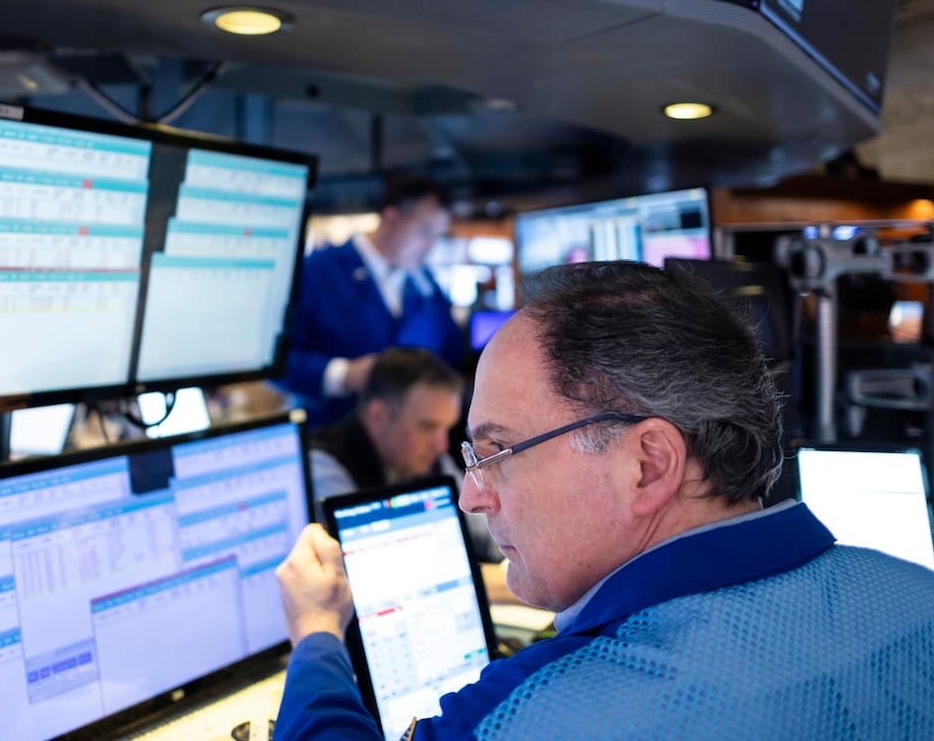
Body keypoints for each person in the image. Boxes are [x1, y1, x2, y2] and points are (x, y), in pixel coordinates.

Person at [274, 261, 934, 741]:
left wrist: (317, 635)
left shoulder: (532, 715)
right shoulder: (917, 596)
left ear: (647, 464)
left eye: (497, 451)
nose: (473, 493)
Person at [282, 174, 463, 426]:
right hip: (333, 435)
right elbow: (277, 361)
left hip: (411, 442)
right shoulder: (318, 270)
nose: (430, 247)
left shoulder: (427, 287)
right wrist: (342, 376)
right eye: (425, 232)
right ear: (391, 218)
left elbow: (453, 354)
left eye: (438, 236)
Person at [308, 347, 496, 563]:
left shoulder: (430, 458)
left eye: (446, 428)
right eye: (427, 427)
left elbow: (485, 533)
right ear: (377, 415)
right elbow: (369, 565)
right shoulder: (324, 463)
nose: (442, 445)